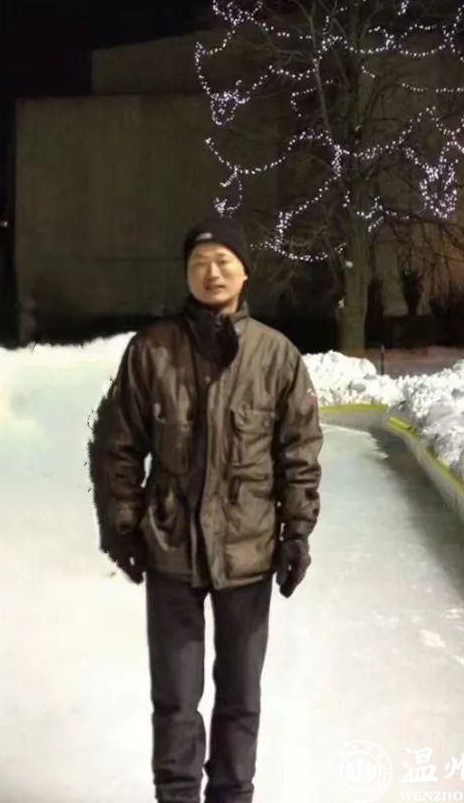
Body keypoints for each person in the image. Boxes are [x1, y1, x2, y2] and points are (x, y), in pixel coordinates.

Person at [88, 214, 323, 803]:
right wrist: (122, 524)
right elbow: (116, 444)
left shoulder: (277, 357)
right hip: (171, 550)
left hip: (248, 552)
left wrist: (297, 533)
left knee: (241, 697)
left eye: (223, 262)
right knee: (175, 698)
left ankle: (232, 795)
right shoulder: (152, 351)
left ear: (244, 272)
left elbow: (299, 452)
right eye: (199, 263)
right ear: (186, 275)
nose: (211, 273)